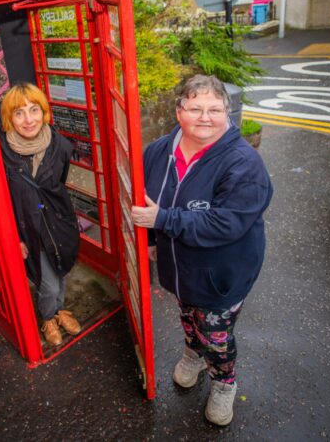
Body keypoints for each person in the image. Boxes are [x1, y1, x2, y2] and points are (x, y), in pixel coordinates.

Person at [131, 75, 273, 426]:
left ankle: (224, 382)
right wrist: (152, 242)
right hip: (179, 267)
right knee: (188, 316)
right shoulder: (158, 151)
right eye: (195, 108)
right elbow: (143, 202)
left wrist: (163, 220)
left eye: (214, 109)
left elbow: (226, 224)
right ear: (179, 111)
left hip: (222, 272)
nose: (205, 117)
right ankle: (193, 354)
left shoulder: (243, 164)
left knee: (216, 334)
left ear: (228, 112)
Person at [0, 83, 82, 346]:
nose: (28, 119)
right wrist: (14, 236)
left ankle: (59, 310)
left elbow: (59, 183)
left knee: (63, 268)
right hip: (29, 229)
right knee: (48, 283)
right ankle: (48, 316)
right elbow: (0, 200)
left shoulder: (60, 145)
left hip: (60, 222)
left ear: (44, 111)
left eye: (34, 110)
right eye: (19, 113)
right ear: (9, 119)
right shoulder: (0, 152)